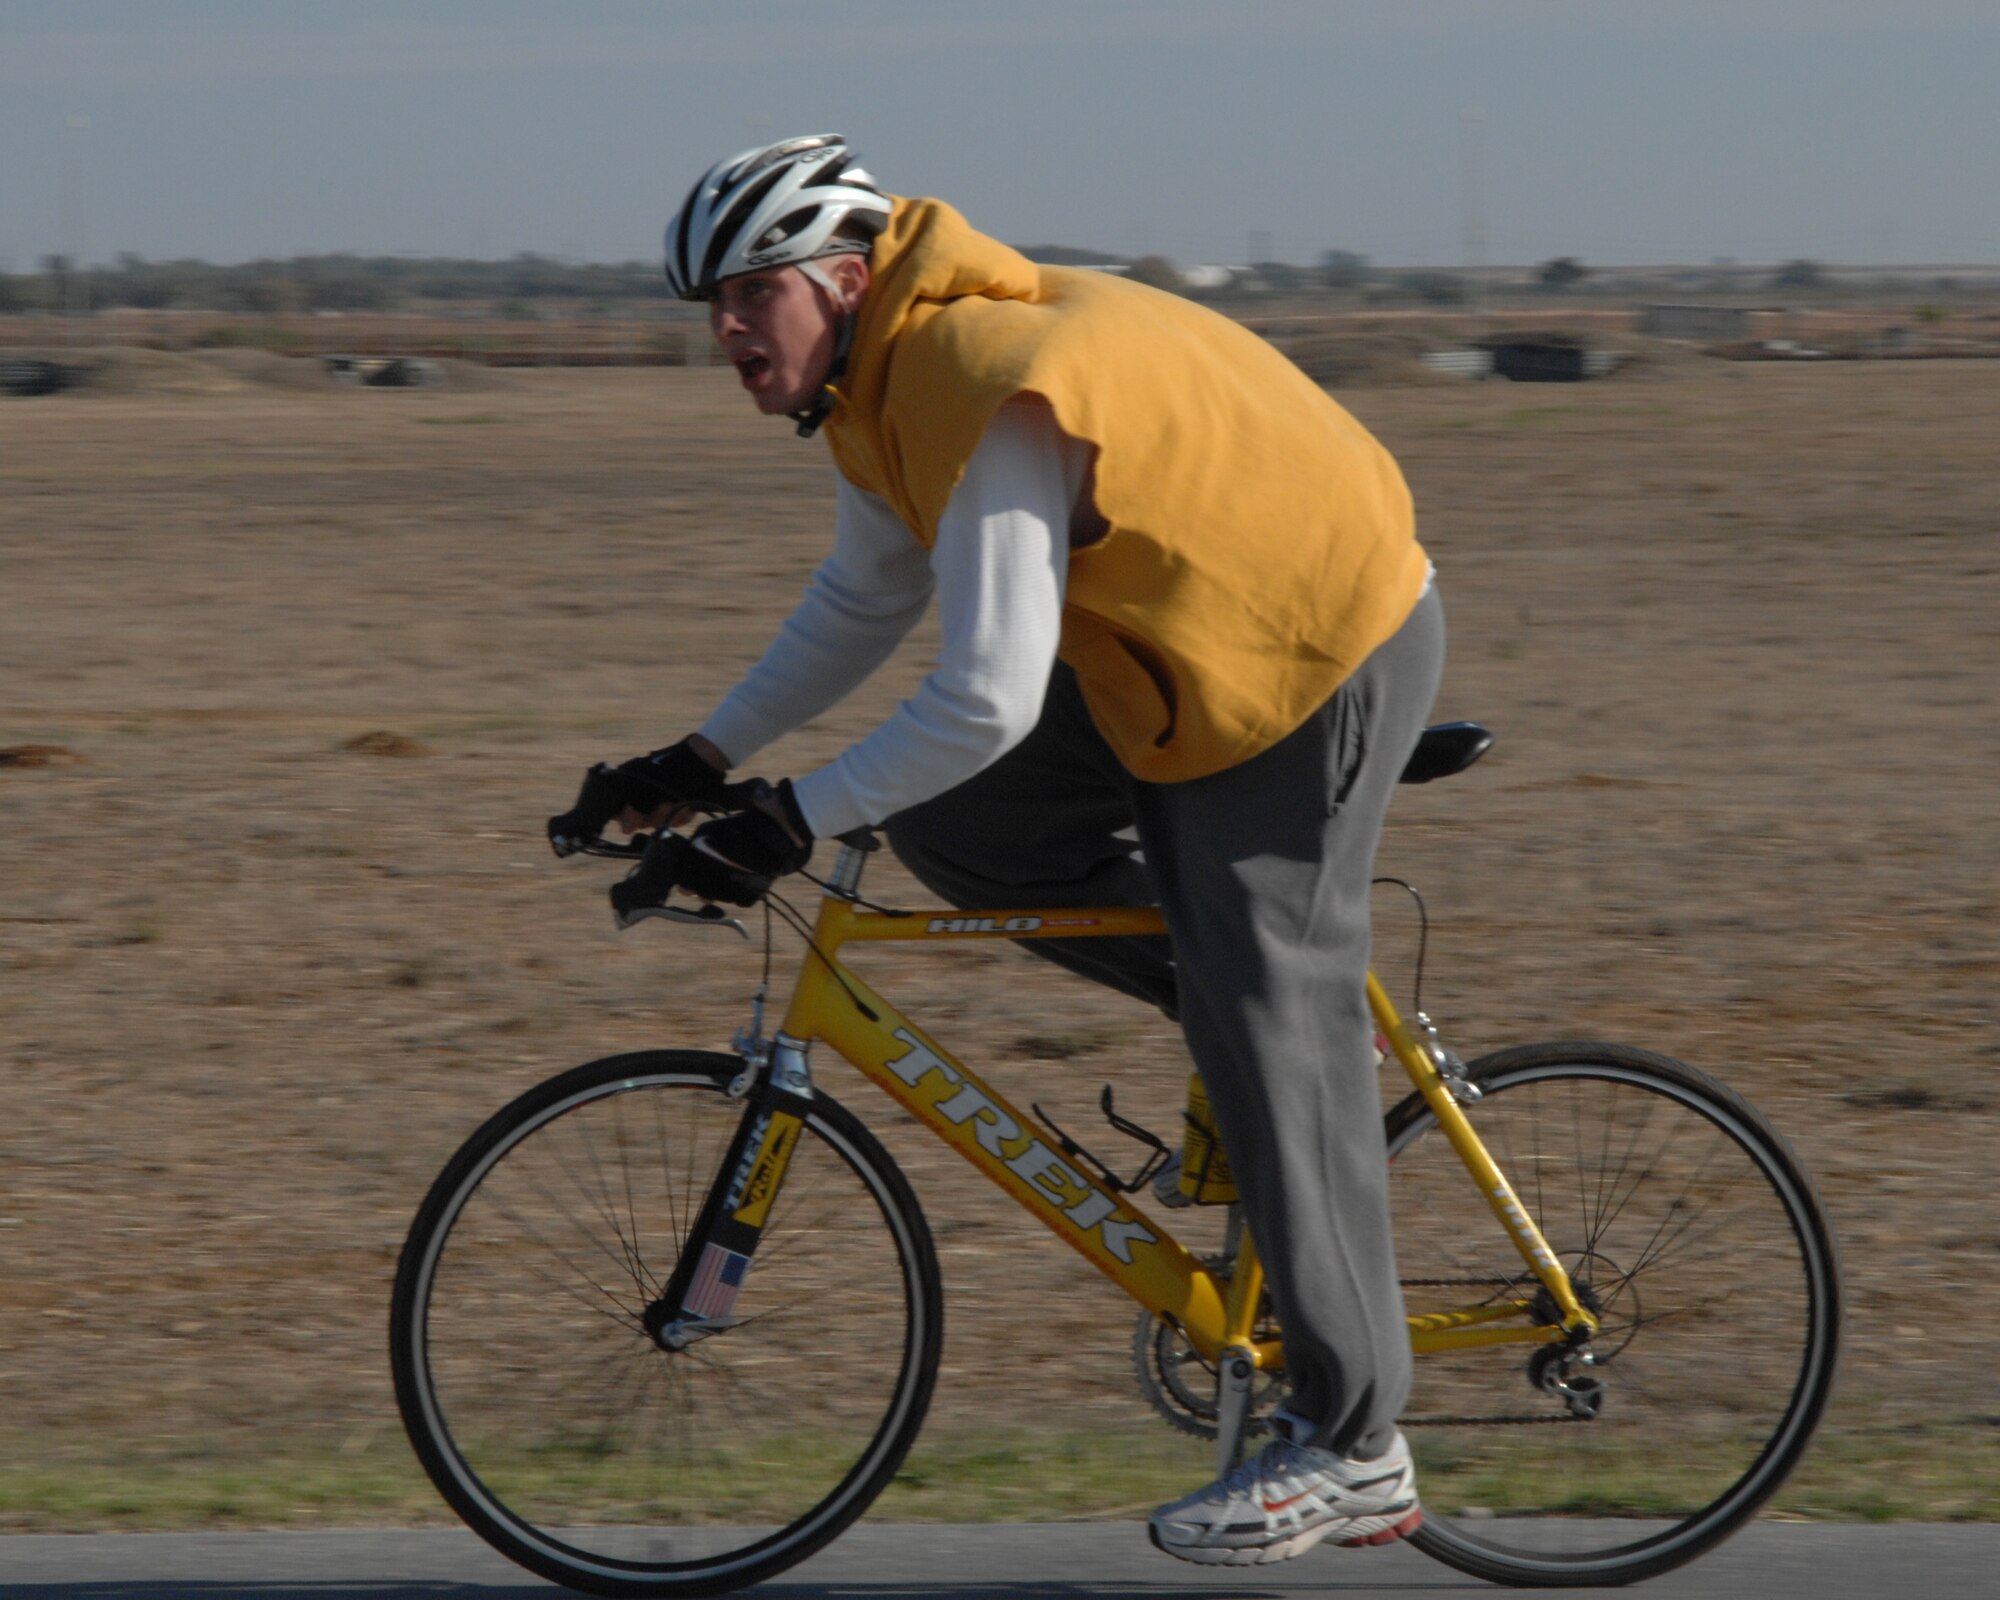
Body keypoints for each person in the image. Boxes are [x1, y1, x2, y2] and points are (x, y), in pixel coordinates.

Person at [609, 134, 1443, 1567]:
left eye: (755, 292)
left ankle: (1355, 1443)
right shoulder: (876, 393)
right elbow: (862, 600)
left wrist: (794, 817)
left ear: (851, 279)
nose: (730, 330)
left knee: (1261, 996)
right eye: (714, 307)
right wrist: (700, 758)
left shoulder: (979, 381)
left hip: (1309, 640)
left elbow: (989, 694)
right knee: (965, 828)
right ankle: (1253, 1032)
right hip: (1175, 634)